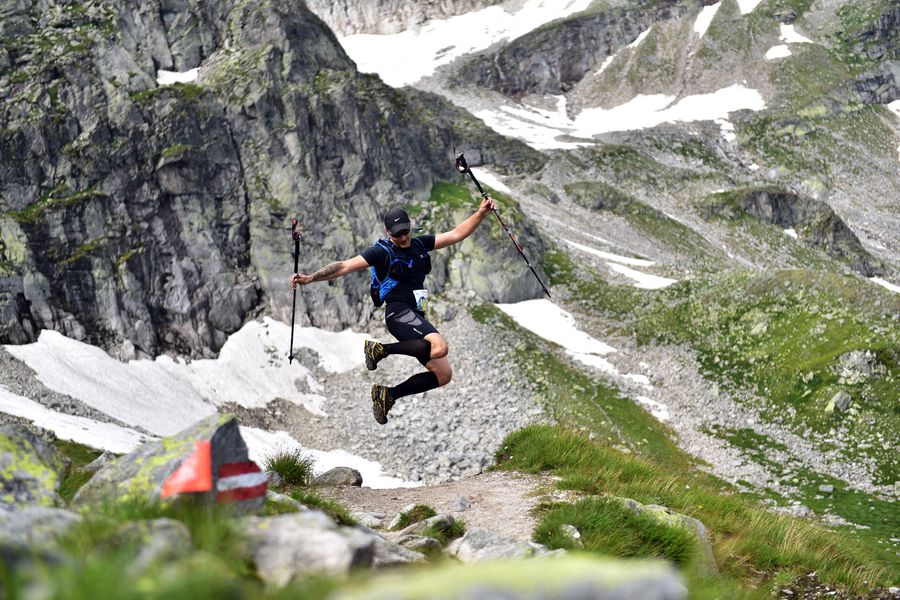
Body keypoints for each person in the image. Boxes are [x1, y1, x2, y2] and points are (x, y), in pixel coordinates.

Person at [290, 197, 496, 425]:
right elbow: (344, 266)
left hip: (415, 314)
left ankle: (388, 395)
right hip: (397, 313)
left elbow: (457, 234)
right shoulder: (381, 252)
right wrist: (310, 278)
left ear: (409, 225)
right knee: (440, 346)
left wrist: (481, 213)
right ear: (388, 232)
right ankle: (379, 350)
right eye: (397, 234)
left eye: (405, 231)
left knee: (443, 375)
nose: (403, 237)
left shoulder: (419, 244)